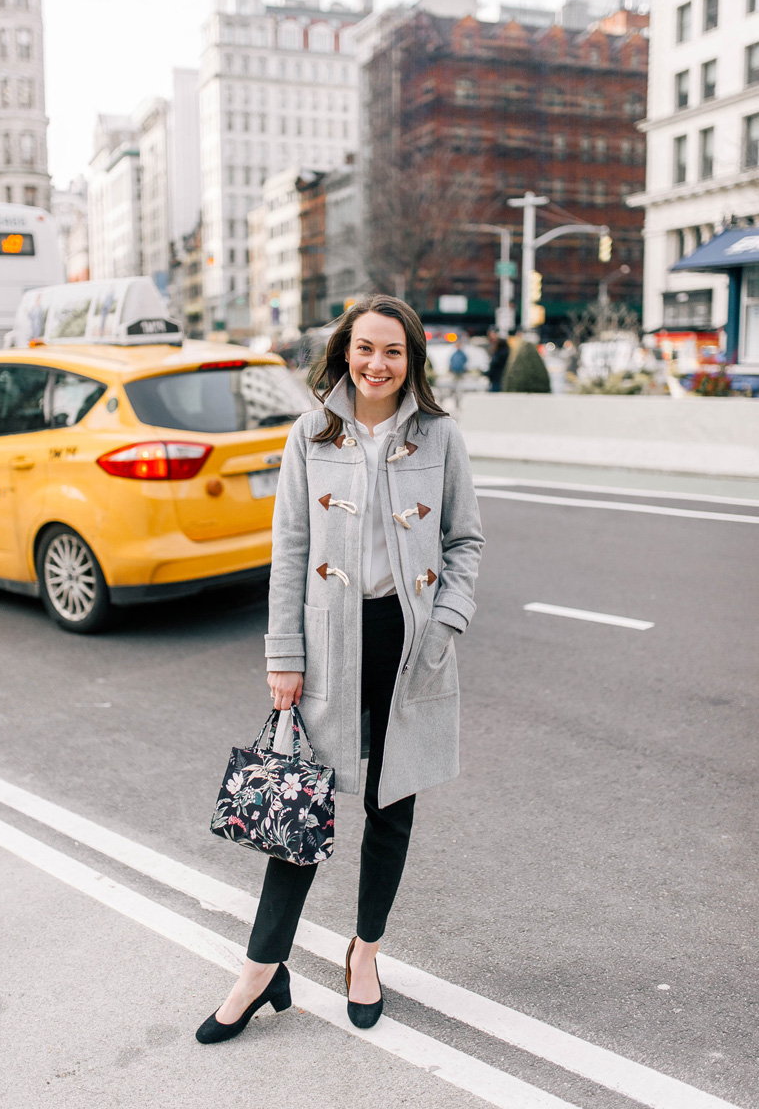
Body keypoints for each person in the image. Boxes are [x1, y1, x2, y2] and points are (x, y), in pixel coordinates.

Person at [196, 295, 484, 1043]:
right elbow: (288, 552)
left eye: (392, 352)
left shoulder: (440, 436)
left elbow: (465, 541)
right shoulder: (310, 433)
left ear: (412, 360)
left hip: (408, 637)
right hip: (330, 639)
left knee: (391, 806)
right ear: (343, 353)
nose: (376, 365)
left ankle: (366, 951)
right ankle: (262, 966)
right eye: (364, 349)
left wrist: (446, 621)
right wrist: (282, 656)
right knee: (301, 807)